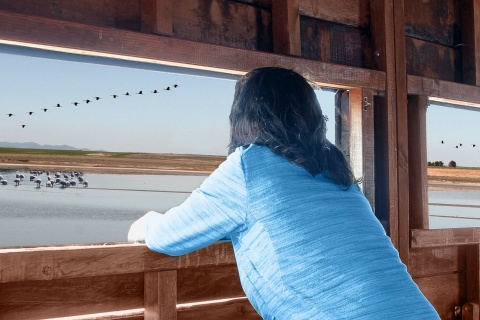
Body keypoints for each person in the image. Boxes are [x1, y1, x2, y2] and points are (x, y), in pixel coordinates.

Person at [128, 67, 439, 319]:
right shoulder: (335, 170)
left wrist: (143, 223)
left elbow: (168, 236)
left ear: (244, 116)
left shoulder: (249, 166)